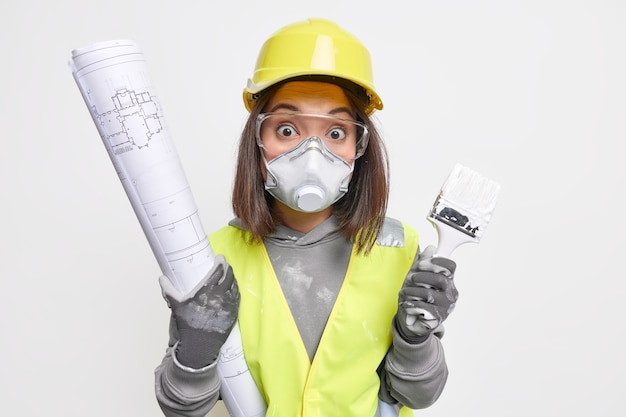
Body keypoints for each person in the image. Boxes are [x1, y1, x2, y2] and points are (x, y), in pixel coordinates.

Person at [154, 18, 459, 417]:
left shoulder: (400, 248)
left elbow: (420, 395)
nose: (311, 153)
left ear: (359, 147)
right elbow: (182, 409)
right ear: (257, 141)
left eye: (335, 133)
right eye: (286, 129)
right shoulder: (211, 258)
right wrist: (196, 348)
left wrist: (414, 340)